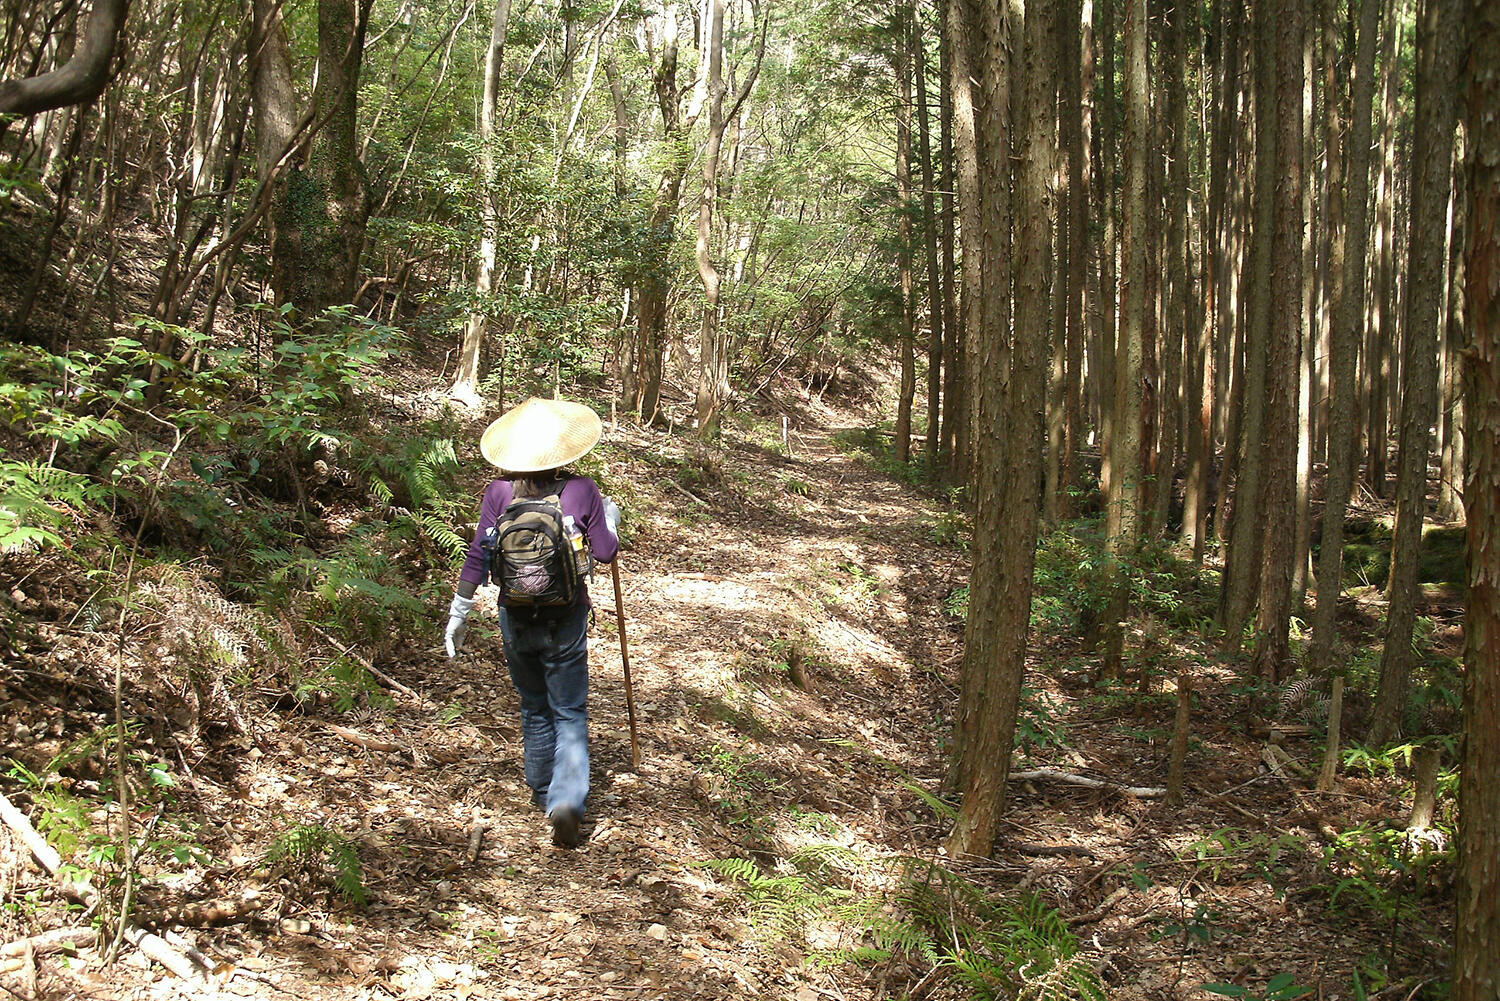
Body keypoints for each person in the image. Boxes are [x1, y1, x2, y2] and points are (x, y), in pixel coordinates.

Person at [442, 397, 621, 848]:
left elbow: (479, 554)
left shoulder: (499, 493)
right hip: (567, 612)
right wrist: (610, 520)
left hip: (514, 614)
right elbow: (605, 552)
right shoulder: (581, 489)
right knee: (570, 710)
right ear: (566, 449)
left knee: (534, 706)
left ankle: (544, 793)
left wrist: (458, 612)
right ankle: (568, 799)